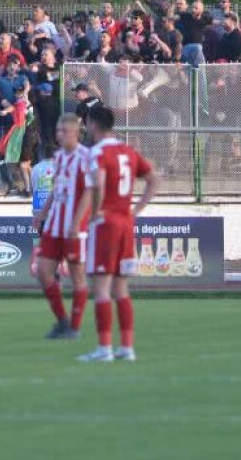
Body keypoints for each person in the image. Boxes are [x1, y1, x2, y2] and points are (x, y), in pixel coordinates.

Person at [78, 106, 159, 363]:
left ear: (92, 124)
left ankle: (104, 349)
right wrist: (136, 210)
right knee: (121, 289)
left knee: (101, 288)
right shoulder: (127, 151)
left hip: (106, 223)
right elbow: (154, 179)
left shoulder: (97, 153)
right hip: (126, 222)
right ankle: (127, 347)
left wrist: (96, 211)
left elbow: (98, 182)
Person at [32, 114, 92, 339]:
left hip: (74, 228)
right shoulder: (58, 158)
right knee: (44, 272)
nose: (59, 135)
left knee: (77, 277)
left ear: (76, 132)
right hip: (54, 225)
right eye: (58, 131)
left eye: (64, 131)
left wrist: (76, 222)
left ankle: (74, 327)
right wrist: (43, 213)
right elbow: (58, 187)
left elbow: (89, 191)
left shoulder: (85, 157)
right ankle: (63, 321)